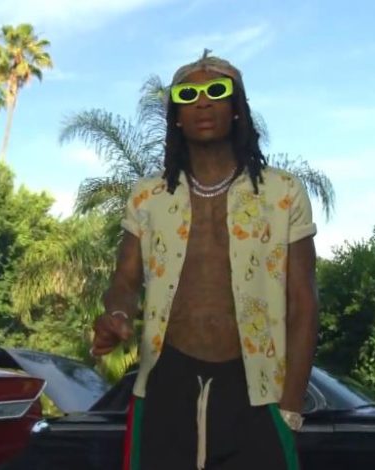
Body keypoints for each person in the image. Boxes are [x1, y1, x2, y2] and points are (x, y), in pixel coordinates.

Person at [91, 50, 318, 470]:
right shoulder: (148, 196)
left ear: (237, 108)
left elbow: (303, 303)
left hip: (257, 388)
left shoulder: (283, 193)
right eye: (188, 94)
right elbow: (125, 280)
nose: (202, 102)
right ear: (176, 116)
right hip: (165, 382)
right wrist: (117, 315)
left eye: (216, 91)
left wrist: (290, 405)